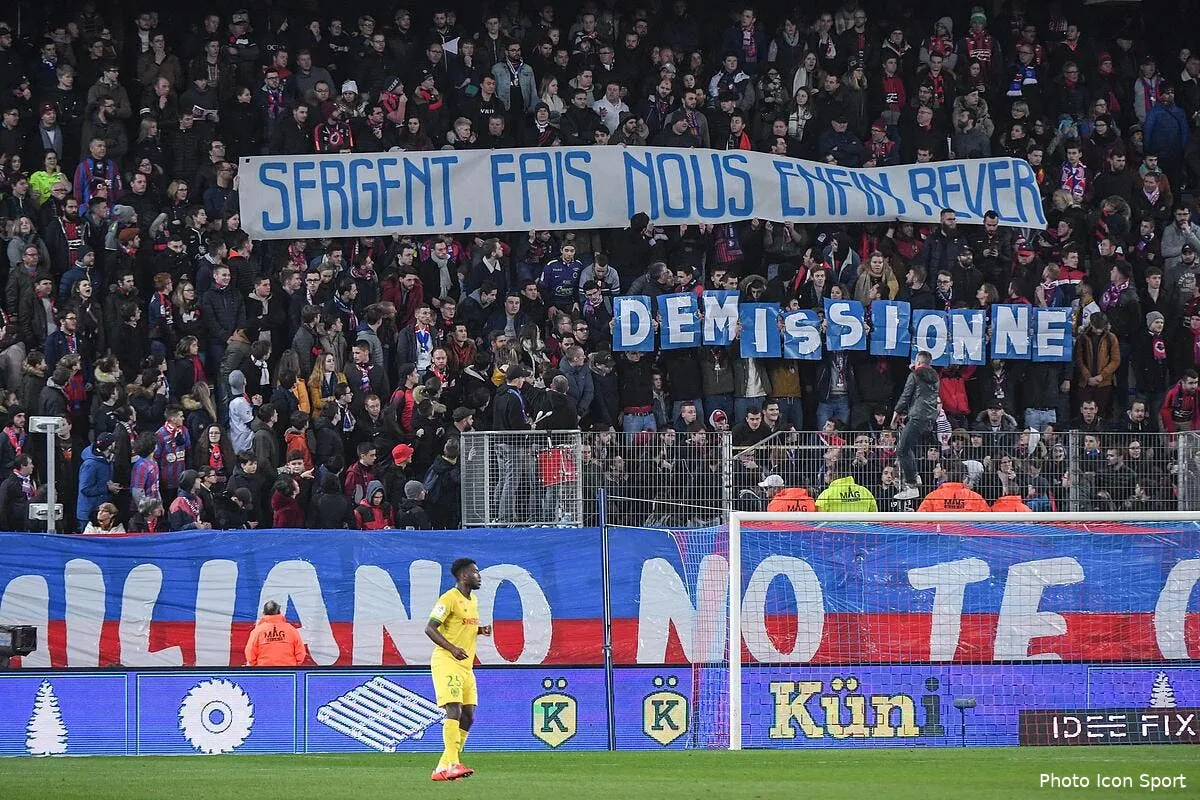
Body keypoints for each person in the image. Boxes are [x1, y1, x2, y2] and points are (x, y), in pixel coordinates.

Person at [425, 558, 491, 782]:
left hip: (466, 665)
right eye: (475, 572)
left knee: (469, 715)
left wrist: (479, 631)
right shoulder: (449, 598)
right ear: (463, 576)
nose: (479, 576)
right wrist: (452, 649)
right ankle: (453, 764)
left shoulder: (472, 601)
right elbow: (430, 628)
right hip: (447, 661)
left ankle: (442, 767)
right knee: (454, 710)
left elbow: (461, 628)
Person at [892, 351, 940, 500]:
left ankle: (912, 486)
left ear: (918, 362)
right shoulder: (935, 377)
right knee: (908, 447)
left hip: (918, 417)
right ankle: (915, 476)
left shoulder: (914, 375)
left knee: (902, 449)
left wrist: (895, 414)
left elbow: (906, 396)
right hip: (930, 419)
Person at [243, 600, 307, 666]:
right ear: (279, 612)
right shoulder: (291, 629)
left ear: (264, 613)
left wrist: (257, 667)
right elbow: (301, 652)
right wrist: (294, 666)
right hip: (288, 672)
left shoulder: (257, 631)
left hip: (264, 671)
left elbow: (250, 652)